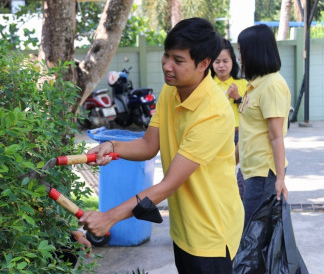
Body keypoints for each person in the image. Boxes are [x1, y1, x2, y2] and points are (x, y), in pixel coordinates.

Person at [79, 17, 244, 274]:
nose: (167, 66)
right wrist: (111, 147)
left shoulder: (213, 113)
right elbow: (148, 145)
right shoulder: (171, 90)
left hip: (211, 233)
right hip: (183, 227)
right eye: (166, 56)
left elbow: (168, 184)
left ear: (203, 64)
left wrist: (109, 217)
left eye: (178, 61)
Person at [236, 24, 291, 227]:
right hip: (251, 171)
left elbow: (276, 136)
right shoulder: (255, 85)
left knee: (253, 237)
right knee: (254, 237)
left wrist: (280, 179)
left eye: (242, 51)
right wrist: (229, 162)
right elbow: (249, 132)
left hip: (264, 174)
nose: (239, 57)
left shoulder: (272, 85)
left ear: (254, 52)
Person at [211, 38, 248, 199]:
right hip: (217, 135)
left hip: (240, 135)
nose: (221, 65)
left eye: (225, 61)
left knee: (238, 173)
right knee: (220, 172)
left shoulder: (243, 84)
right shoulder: (208, 85)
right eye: (217, 61)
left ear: (233, 62)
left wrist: (238, 97)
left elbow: (251, 112)